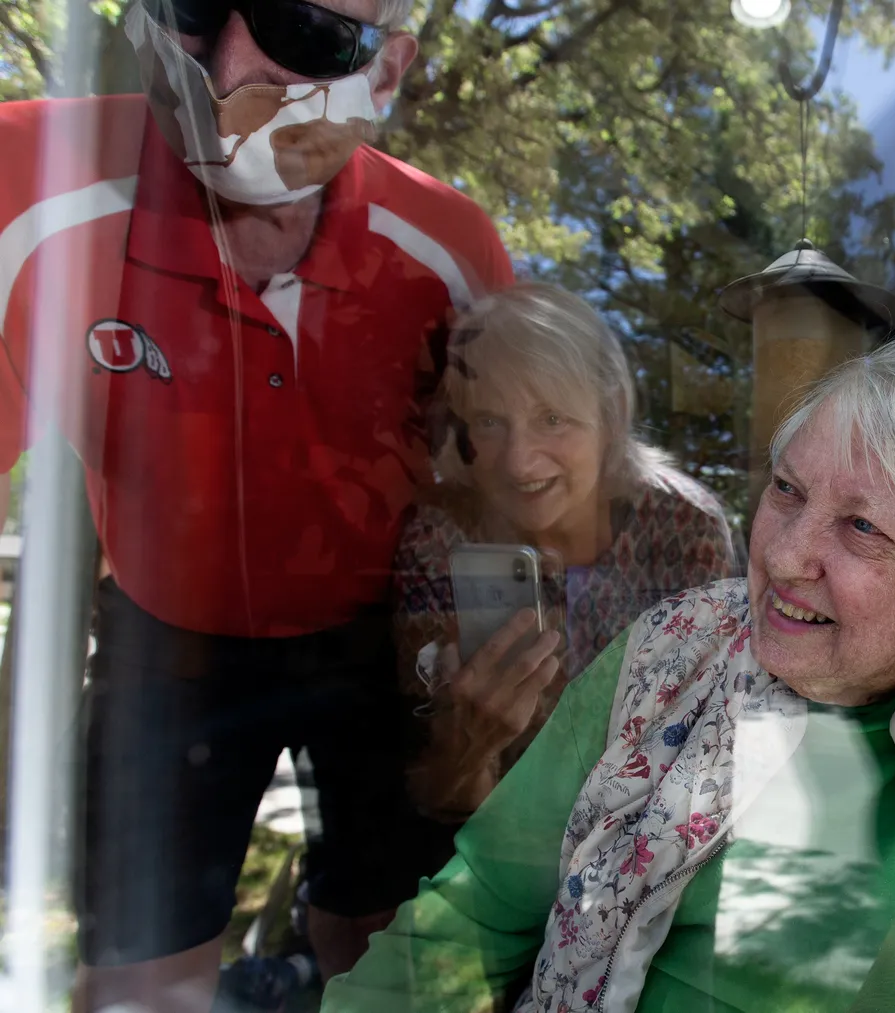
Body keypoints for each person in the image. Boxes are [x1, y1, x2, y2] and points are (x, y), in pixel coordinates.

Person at [321, 316, 895, 1013]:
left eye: (862, 527)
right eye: (786, 489)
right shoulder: (670, 655)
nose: (785, 557)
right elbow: (474, 910)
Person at [0, 0, 515, 1007]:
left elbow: (510, 493)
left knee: (378, 935)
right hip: (167, 636)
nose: (230, 61)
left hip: (379, 638)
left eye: (307, 32)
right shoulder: (28, 183)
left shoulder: (450, 245)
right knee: (141, 976)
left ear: (390, 64)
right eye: (193, 6)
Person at [392, 283, 739, 827]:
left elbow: (706, 750)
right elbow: (441, 800)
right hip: (495, 845)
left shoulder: (684, 526)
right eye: (489, 421)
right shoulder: (442, 537)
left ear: (612, 413)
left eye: (552, 418)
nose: (519, 463)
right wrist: (473, 744)